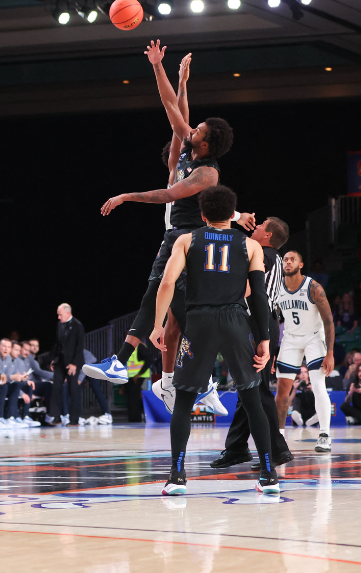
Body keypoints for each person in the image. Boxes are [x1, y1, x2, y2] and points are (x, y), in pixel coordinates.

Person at [85, 40, 253, 386]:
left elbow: (168, 195)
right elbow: (172, 107)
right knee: (180, 315)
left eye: (198, 131)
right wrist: (163, 70)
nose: (191, 130)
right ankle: (195, 379)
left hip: (189, 238)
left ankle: (127, 362)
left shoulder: (207, 173)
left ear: (205, 144)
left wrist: (125, 196)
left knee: (165, 299)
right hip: (181, 236)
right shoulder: (186, 152)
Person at [149, 184, 280, 495]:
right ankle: (268, 474)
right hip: (236, 321)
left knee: (183, 401)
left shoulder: (186, 239)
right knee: (252, 401)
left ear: (203, 214)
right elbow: (259, 296)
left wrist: (157, 325)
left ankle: (177, 475)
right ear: (232, 216)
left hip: (199, 322)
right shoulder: (251, 247)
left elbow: (167, 283)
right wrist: (264, 339)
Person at [211, 218, 293, 469]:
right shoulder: (273, 256)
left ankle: (277, 450)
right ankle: (236, 447)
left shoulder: (265, 255)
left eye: (260, 226)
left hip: (257, 322)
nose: (254, 228)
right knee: (248, 390)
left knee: (257, 391)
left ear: (267, 235)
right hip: (265, 322)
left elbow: (248, 289)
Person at [273, 249, 335, 452]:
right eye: (285, 260)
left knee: (318, 385)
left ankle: (324, 434)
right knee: (282, 389)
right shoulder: (277, 288)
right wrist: (274, 350)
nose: (287, 262)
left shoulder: (314, 288)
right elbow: (274, 319)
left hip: (314, 338)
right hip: (290, 338)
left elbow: (328, 321)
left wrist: (330, 353)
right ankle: (278, 438)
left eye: (292, 259)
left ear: (301, 265)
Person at [50, 304, 84, 426]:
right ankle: (56, 417)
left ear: (68, 313)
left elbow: (79, 347)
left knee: (73, 390)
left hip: (73, 363)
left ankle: (74, 419)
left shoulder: (78, 326)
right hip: (60, 362)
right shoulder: (59, 325)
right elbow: (57, 344)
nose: (58, 317)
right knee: (56, 388)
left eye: (60, 314)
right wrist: (54, 359)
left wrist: (74, 363)